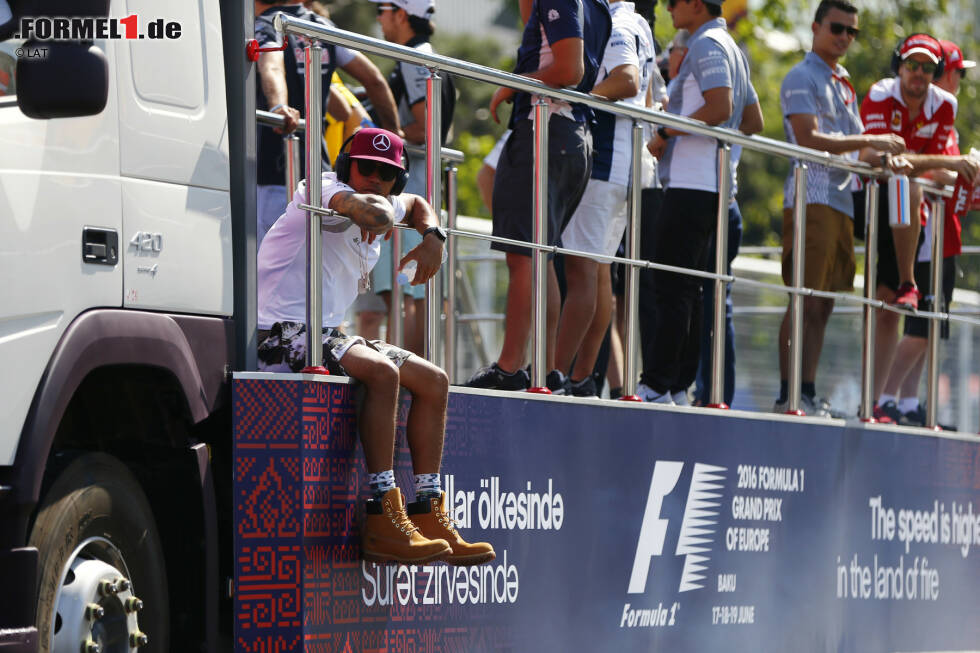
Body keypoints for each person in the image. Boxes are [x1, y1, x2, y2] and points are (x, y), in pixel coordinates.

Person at [256, 128, 494, 565]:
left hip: (328, 332)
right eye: (367, 168)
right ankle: (383, 514)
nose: (376, 179)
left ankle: (427, 510)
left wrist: (434, 240)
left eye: (388, 174)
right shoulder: (322, 187)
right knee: (384, 372)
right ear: (349, 166)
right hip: (279, 331)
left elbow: (420, 204)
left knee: (434, 381)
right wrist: (383, 212)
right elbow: (368, 211)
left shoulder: (386, 199)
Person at [464, 0, 612, 391]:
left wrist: (512, 84)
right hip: (569, 135)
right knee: (538, 256)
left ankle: (511, 368)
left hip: (546, 131)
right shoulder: (598, 5)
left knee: (525, 256)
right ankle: (540, 371)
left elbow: (569, 69)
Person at [770, 1, 906, 417]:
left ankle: (806, 391)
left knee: (824, 303)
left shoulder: (842, 81)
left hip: (843, 201)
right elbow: (809, 139)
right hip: (811, 197)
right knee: (804, 298)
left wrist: (885, 157)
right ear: (815, 27)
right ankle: (788, 393)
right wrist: (875, 142)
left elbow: (857, 147)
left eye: (852, 31)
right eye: (837, 28)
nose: (845, 37)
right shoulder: (801, 75)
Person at [637, 0, 761, 405]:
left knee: (671, 288)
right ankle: (675, 386)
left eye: (674, 2)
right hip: (713, 186)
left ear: (694, 4)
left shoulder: (707, 44)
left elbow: (721, 107)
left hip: (694, 185)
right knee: (687, 290)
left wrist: (665, 131)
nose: (669, 8)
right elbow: (752, 120)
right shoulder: (730, 47)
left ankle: (656, 385)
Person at [859, 32, 980, 419]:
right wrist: (941, 164)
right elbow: (875, 157)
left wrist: (927, 163)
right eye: (912, 65)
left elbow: (928, 168)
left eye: (929, 67)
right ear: (899, 66)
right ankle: (878, 400)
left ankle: (881, 402)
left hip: (924, 223)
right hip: (877, 200)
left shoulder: (946, 106)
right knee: (888, 310)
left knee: (907, 318)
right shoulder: (880, 94)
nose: (920, 73)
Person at [552, 0, 656, 397]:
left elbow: (628, 80)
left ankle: (557, 375)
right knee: (598, 278)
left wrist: (576, 100)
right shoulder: (638, 23)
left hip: (605, 164)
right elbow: (647, 96)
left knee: (582, 275)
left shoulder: (615, 22)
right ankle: (579, 378)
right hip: (626, 167)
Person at [254, 0, 401, 246]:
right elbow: (374, 79)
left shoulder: (268, 25)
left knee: (268, 265)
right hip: (318, 173)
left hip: (273, 168)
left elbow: (272, 66)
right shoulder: (323, 26)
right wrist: (394, 135)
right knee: (313, 262)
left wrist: (278, 107)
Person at [368, 0, 455, 355]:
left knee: (401, 289)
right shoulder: (432, 57)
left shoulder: (412, 58)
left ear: (401, 14)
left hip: (410, 186)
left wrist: (382, 139)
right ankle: (413, 370)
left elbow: (426, 126)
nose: (378, 17)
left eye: (382, 9)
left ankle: (403, 374)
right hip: (427, 182)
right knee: (415, 290)